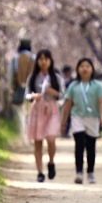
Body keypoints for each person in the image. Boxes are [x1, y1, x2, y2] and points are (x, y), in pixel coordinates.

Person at [61, 57, 102, 184]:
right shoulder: (73, 86)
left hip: (93, 118)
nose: (85, 69)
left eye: (88, 66)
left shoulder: (98, 86)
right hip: (77, 117)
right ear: (77, 69)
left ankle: (91, 172)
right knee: (79, 144)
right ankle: (79, 172)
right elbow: (68, 105)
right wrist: (64, 122)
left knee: (91, 146)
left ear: (92, 69)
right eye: (82, 66)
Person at [27, 49, 63, 182]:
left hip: (52, 109)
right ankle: (40, 172)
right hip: (37, 109)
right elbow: (27, 93)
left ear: (50, 61)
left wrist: (51, 91)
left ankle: (51, 162)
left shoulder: (56, 77)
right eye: (40, 59)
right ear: (37, 61)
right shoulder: (32, 77)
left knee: (51, 138)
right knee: (38, 141)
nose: (43, 62)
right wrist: (33, 96)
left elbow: (62, 94)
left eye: (46, 59)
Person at [10, 37, 34, 147]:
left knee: (20, 115)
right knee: (29, 115)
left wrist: (12, 88)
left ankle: (23, 138)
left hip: (19, 89)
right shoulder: (34, 58)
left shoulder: (16, 58)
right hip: (31, 91)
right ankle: (30, 137)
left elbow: (13, 74)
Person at [61, 65, 73, 137]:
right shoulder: (63, 81)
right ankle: (65, 132)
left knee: (70, 117)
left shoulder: (73, 80)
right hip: (65, 100)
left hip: (71, 100)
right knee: (66, 116)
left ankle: (67, 132)